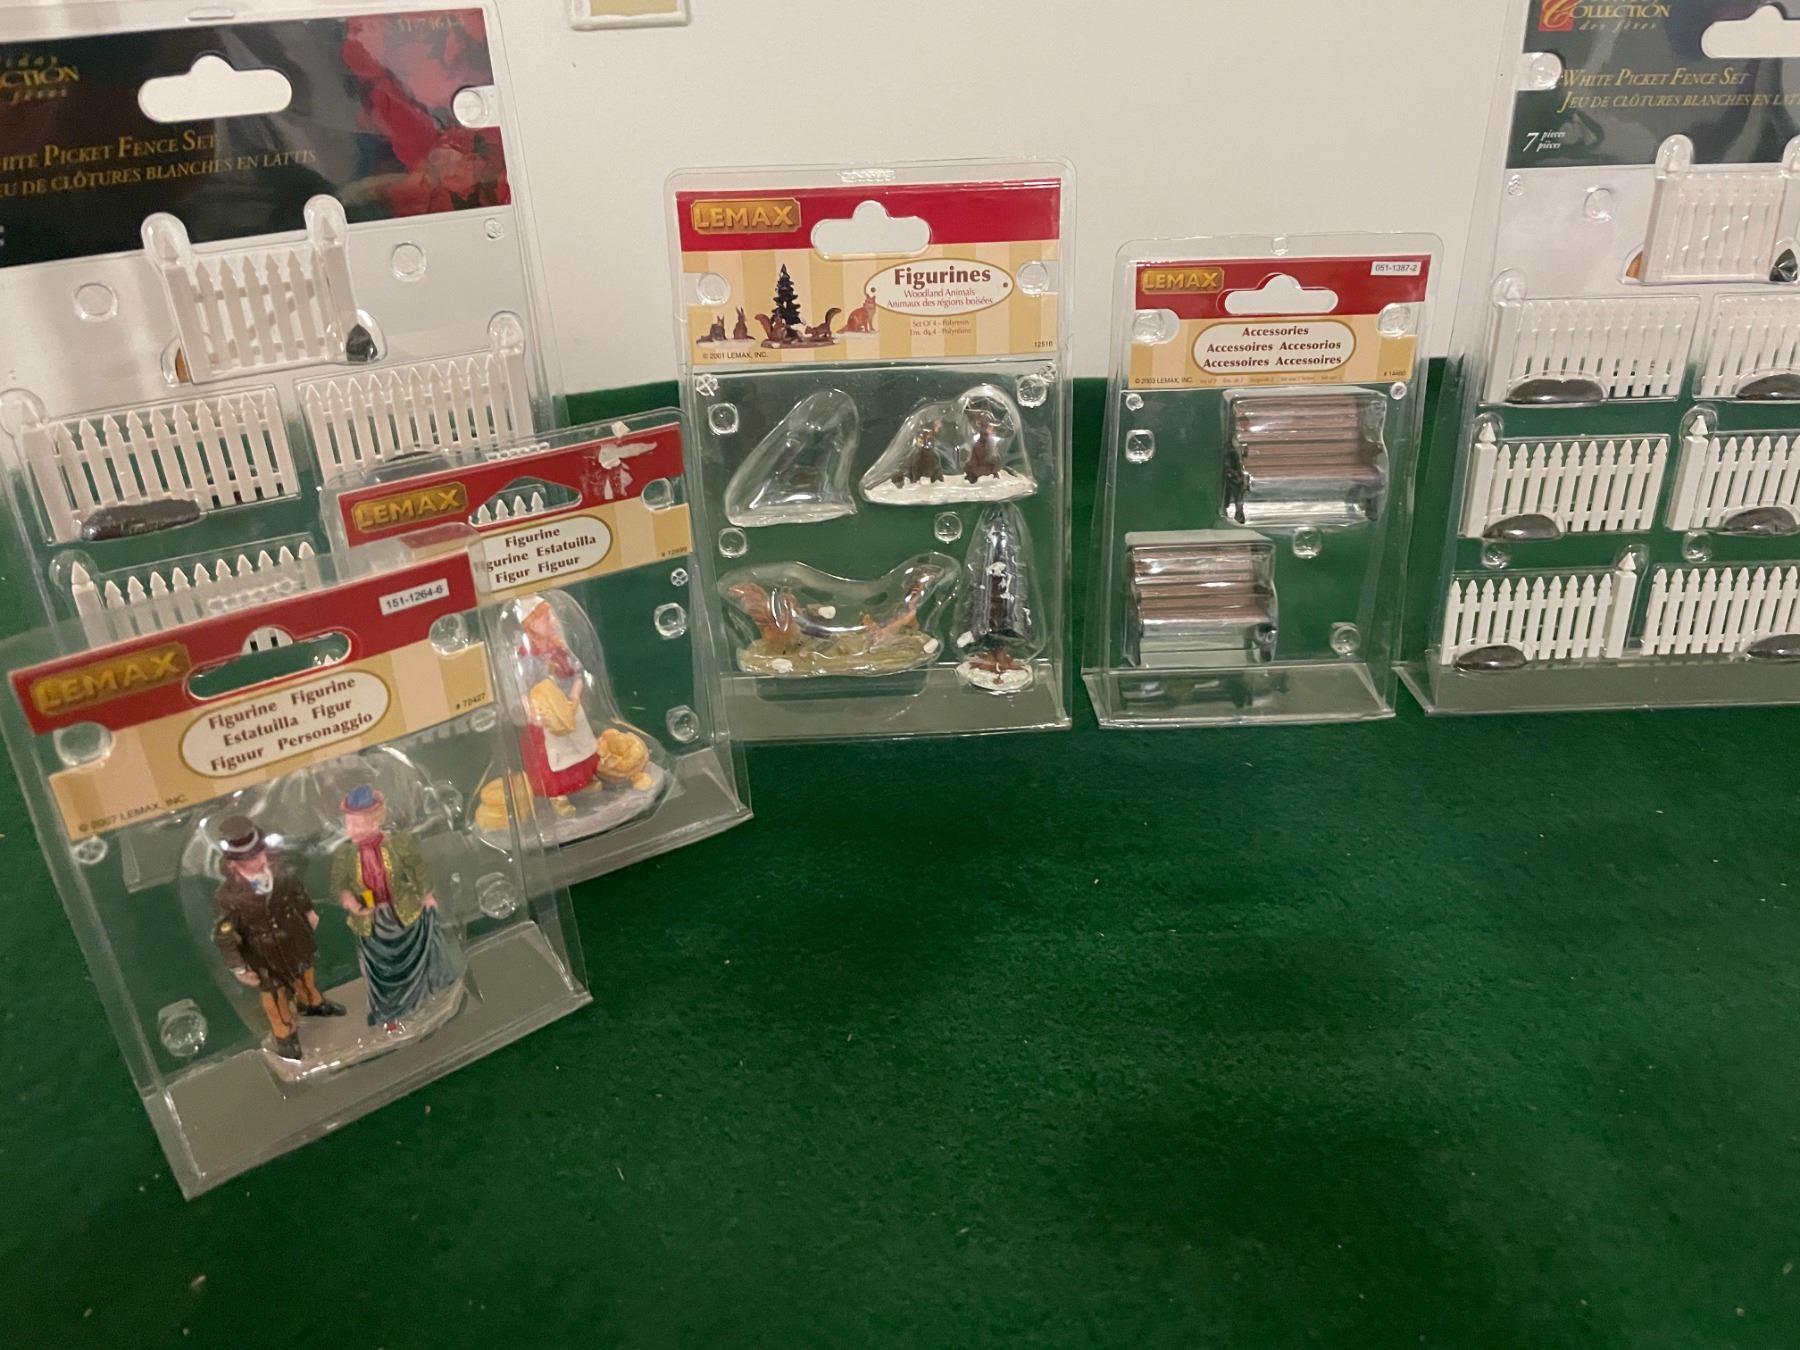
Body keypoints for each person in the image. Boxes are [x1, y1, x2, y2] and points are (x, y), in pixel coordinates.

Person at [212, 816, 345, 1062]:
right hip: (262, 950)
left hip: (293, 935)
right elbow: (225, 933)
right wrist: (238, 966)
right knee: (275, 995)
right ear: (233, 863)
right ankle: (285, 1035)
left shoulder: (279, 869)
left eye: (259, 852)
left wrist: (308, 911)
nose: (259, 860)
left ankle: (312, 1003)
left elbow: (296, 890)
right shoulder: (229, 896)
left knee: (305, 972)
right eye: (250, 858)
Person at [329, 786, 457, 1029]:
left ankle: (422, 999)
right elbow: (339, 886)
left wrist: (427, 895)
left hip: (403, 911)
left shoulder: (399, 843)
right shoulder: (345, 854)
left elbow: (418, 869)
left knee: (418, 953)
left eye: (356, 824)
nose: (350, 830)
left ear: (374, 822)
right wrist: (351, 903)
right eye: (348, 824)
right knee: (382, 970)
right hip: (371, 918)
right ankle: (390, 1012)